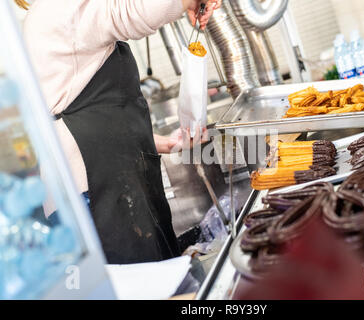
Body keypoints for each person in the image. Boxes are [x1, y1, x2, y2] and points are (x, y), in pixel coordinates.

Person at [15, 0, 221, 264]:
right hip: (96, 194)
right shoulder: (60, 7)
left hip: (102, 181)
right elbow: (131, 12)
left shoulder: (49, 13)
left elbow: (92, 110)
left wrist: (160, 142)